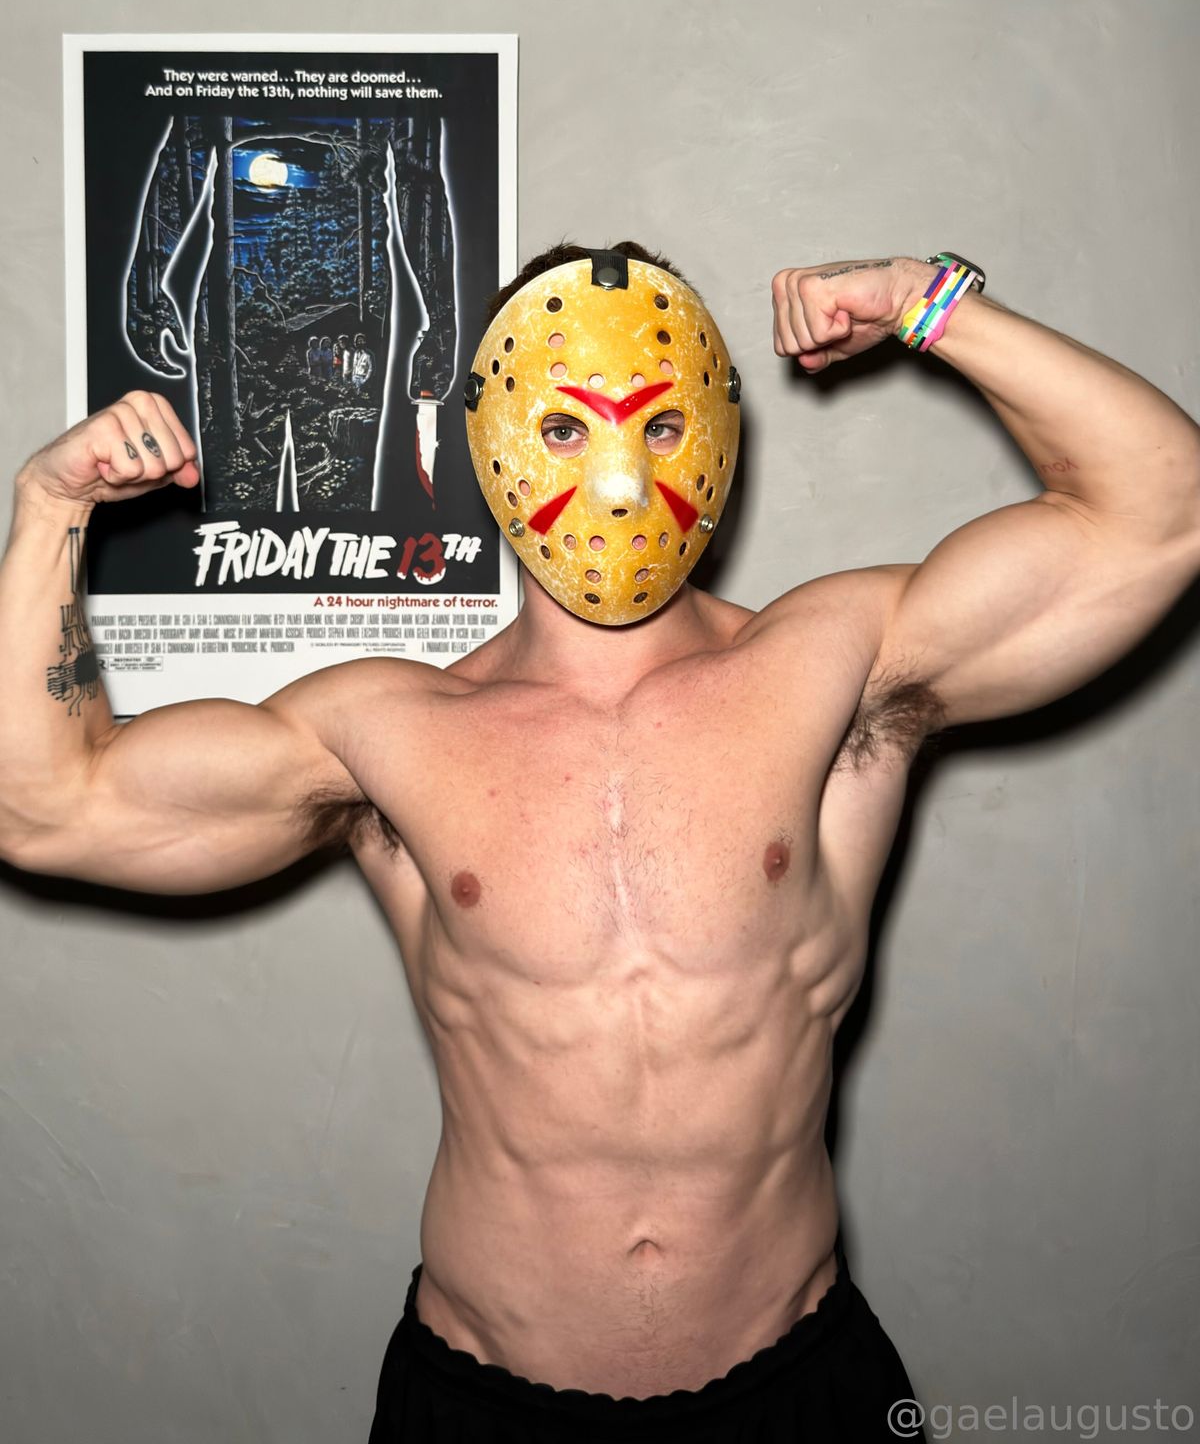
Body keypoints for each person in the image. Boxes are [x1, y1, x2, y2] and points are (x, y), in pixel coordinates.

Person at [3, 242, 1199, 1442]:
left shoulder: (834, 666)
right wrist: (51, 509)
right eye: (566, 429)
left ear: (715, 429)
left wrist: (927, 305)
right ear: (496, 441)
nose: (621, 473)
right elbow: (45, 808)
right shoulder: (387, 732)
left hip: (791, 1381)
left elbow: (1166, 513)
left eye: (662, 425)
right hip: (485, 1395)